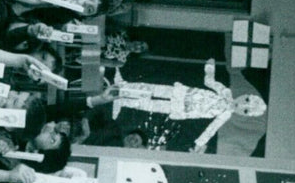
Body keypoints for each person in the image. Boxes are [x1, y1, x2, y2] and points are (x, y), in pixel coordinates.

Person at [111, 58, 266, 151]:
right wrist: (209, 68)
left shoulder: (225, 115)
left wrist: (199, 144)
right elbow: (209, 82)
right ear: (244, 95)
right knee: (152, 89)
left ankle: (123, 101)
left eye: (245, 110)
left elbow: (210, 130)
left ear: (243, 114)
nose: (241, 105)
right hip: (181, 93)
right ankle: (124, 86)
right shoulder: (226, 92)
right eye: (246, 100)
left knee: (151, 105)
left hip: (181, 109)